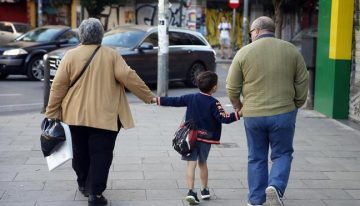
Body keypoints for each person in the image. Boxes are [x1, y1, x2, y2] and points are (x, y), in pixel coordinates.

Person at [45, 18, 155, 206]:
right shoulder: (111, 55)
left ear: (81, 34)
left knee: (79, 152)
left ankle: (83, 183)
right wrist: (148, 97)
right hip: (106, 116)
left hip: (74, 115)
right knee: (101, 154)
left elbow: (58, 87)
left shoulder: (70, 56)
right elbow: (128, 76)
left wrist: (51, 112)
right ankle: (95, 194)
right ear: (101, 35)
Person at [226, 16, 308, 206]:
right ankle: (275, 187)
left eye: (251, 33)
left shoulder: (244, 52)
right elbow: (302, 81)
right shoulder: (291, 50)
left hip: (253, 114)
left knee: (256, 157)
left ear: (256, 31)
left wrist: (239, 107)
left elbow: (231, 88)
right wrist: (297, 103)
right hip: (283, 113)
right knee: (282, 154)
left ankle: (255, 200)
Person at [153, 71, 241, 205]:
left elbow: (174, 101)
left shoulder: (191, 97)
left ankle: (191, 192)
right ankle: (205, 190)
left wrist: (157, 100)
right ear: (214, 87)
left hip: (190, 138)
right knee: (202, 163)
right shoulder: (214, 103)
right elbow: (224, 118)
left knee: (191, 164)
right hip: (206, 139)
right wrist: (239, 114)